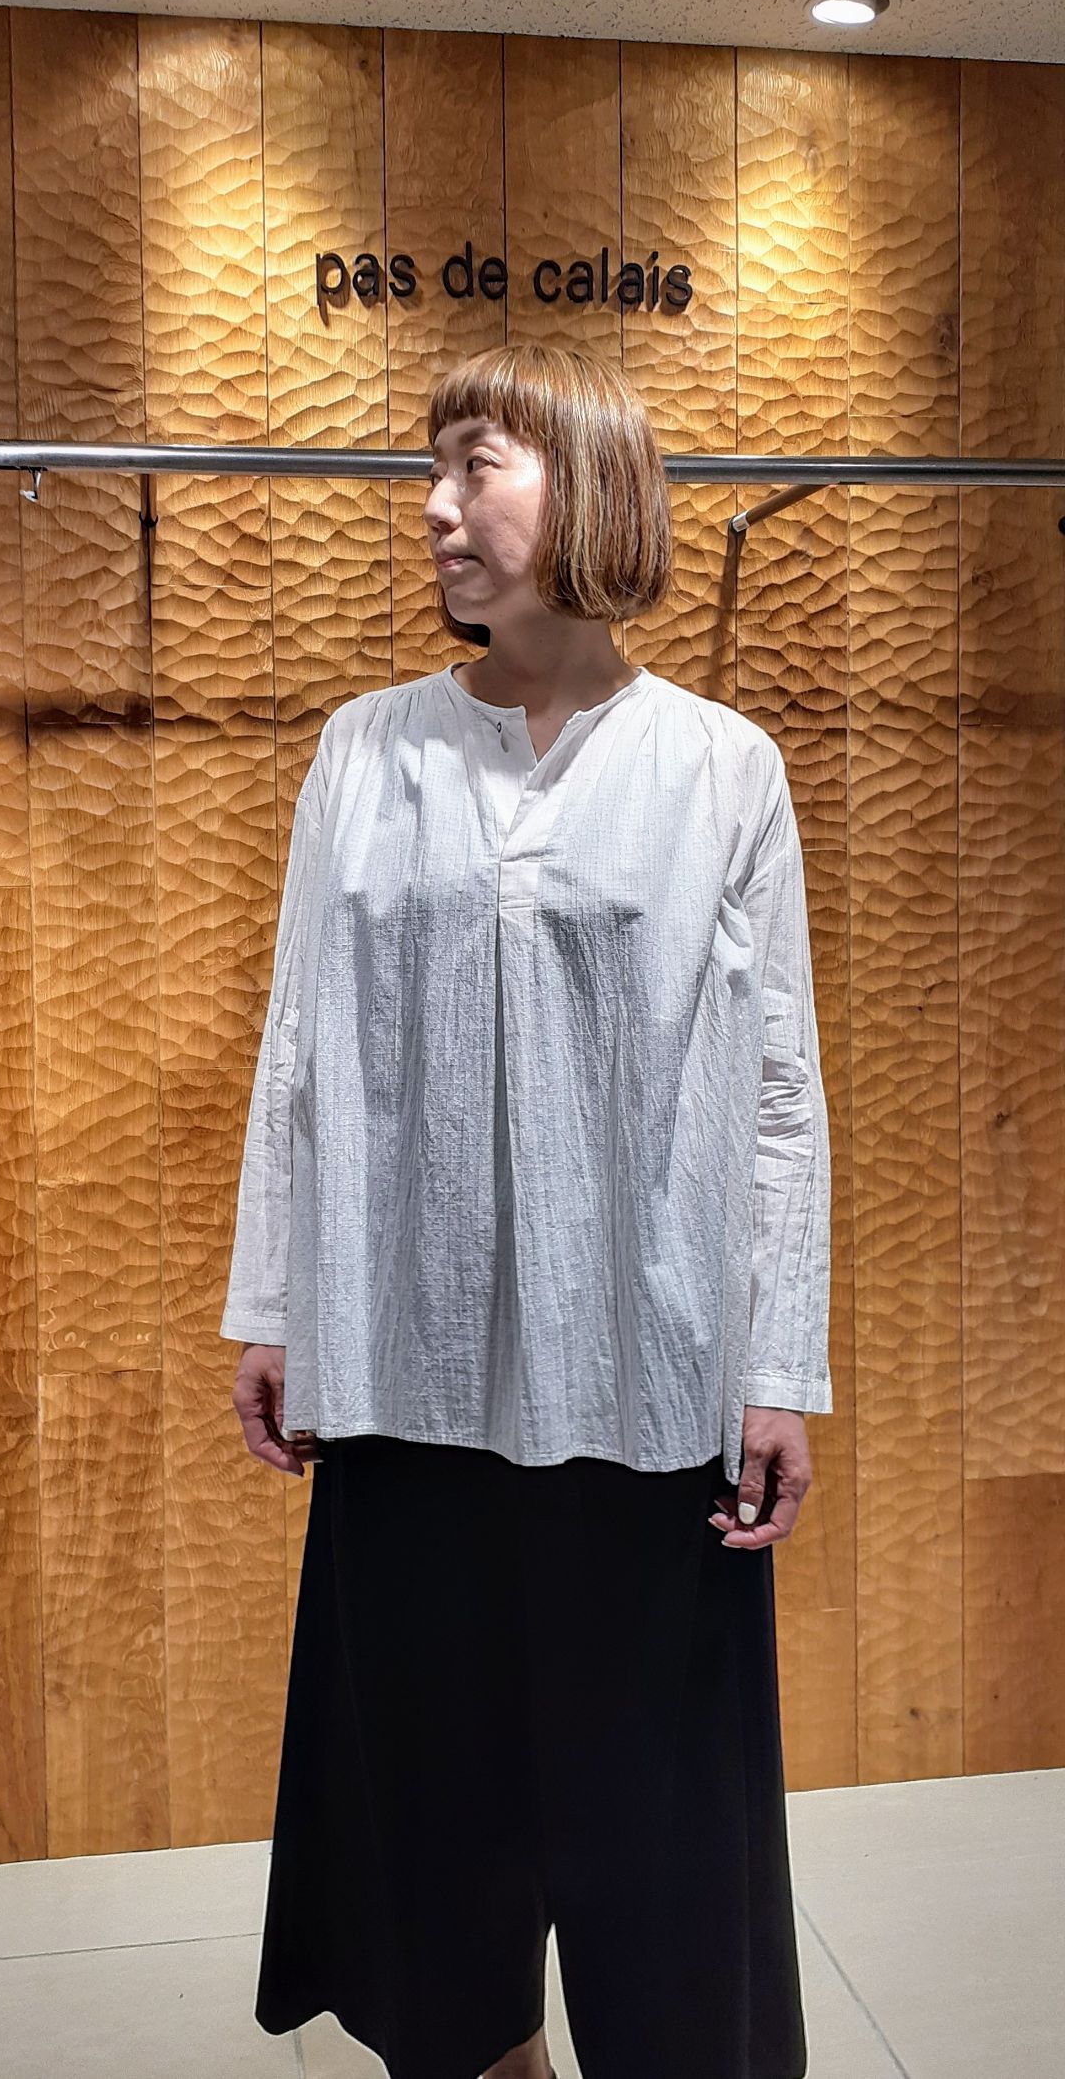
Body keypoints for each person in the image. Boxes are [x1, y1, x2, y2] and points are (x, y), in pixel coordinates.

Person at [220, 341, 832, 2079]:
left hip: (646, 1384)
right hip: (403, 1379)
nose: (434, 507)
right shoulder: (366, 750)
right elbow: (299, 1048)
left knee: (661, 1833)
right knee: (433, 1820)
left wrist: (779, 1366)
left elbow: (778, 1091)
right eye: (433, 470)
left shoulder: (721, 766)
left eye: (476, 463)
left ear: (589, 483)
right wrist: (273, 1303)